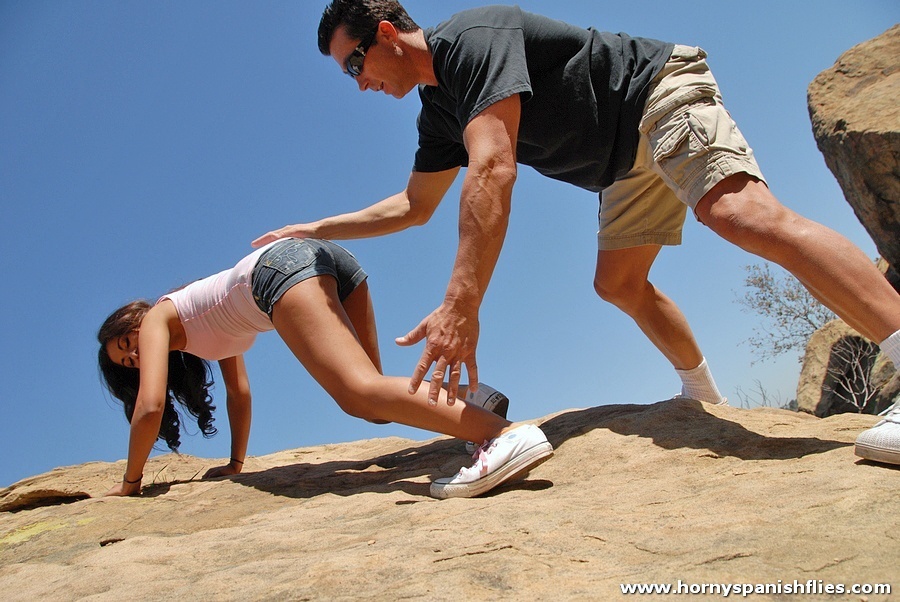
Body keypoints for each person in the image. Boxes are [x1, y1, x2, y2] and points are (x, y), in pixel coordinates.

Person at [251, 2, 900, 465]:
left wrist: (461, 304)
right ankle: (704, 398)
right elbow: (413, 206)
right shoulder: (438, 111)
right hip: (624, 164)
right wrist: (316, 227)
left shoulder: (472, 40)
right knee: (618, 283)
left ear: (387, 34)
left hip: (654, 94)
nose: (358, 83)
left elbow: (493, 166)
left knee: (739, 215)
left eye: (353, 64)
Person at [97, 237, 553, 499]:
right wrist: (236, 463)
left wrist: (131, 483)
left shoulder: (158, 317)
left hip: (281, 269)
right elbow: (239, 394)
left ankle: (501, 435)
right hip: (324, 260)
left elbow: (150, 406)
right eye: (127, 362)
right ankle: (475, 401)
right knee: (374, 402)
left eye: (126, 343)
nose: (135, 355)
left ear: (134, 319)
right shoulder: (197, 327)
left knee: (358, 393)